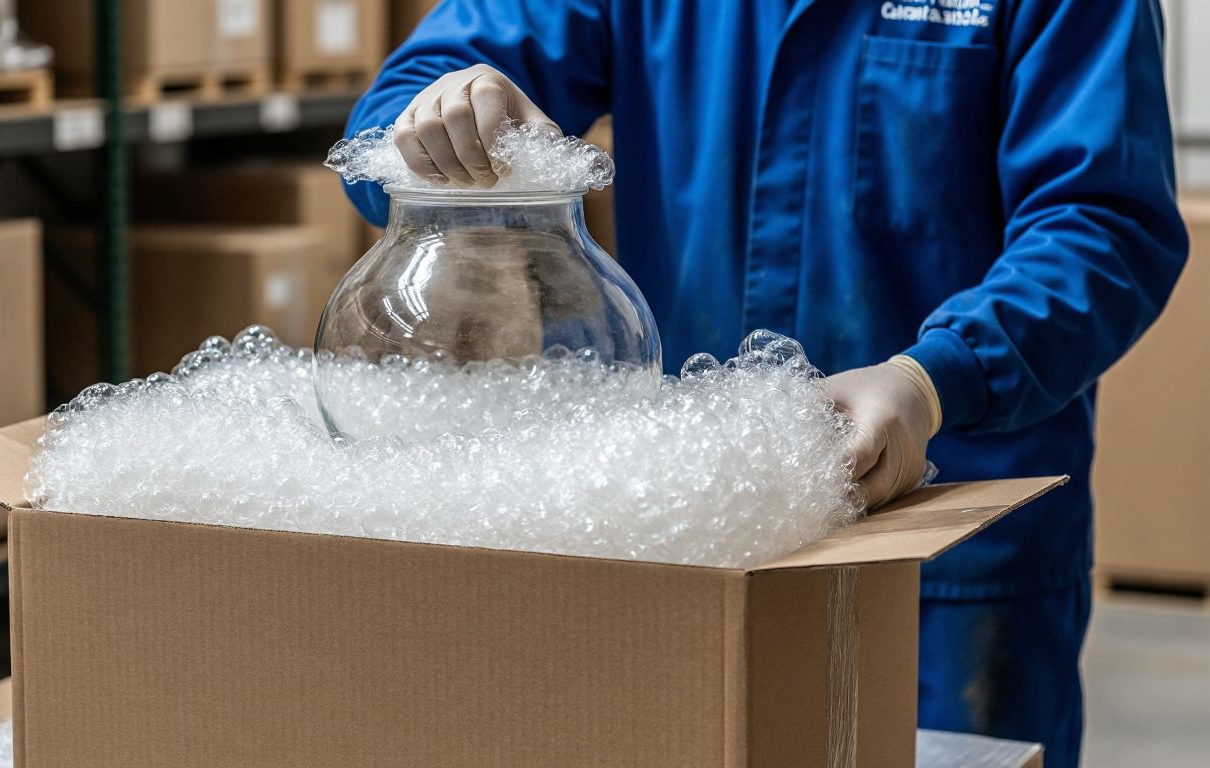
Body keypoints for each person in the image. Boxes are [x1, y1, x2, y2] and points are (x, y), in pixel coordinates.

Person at [341, 2, 1189, 765]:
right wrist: (443, 114)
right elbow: (411, 96)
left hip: (952, 542)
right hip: (692, 527)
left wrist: (932, 379)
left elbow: (1103, 225)